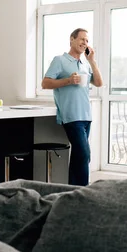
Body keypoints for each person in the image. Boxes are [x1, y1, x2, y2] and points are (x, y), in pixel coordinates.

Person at [41, 28, 103, 186]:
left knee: (79, 155)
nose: (85, 43)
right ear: (72, 40)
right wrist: (68, 81)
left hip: (86, 116)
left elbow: (99, 83)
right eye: (82, 39)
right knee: (83, 153)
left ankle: (74, 192)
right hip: (71, 115)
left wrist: (92, 61)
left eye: (87, 41)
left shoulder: (84, 64)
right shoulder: (60, 60)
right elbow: (46, 83)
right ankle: (83, 191)